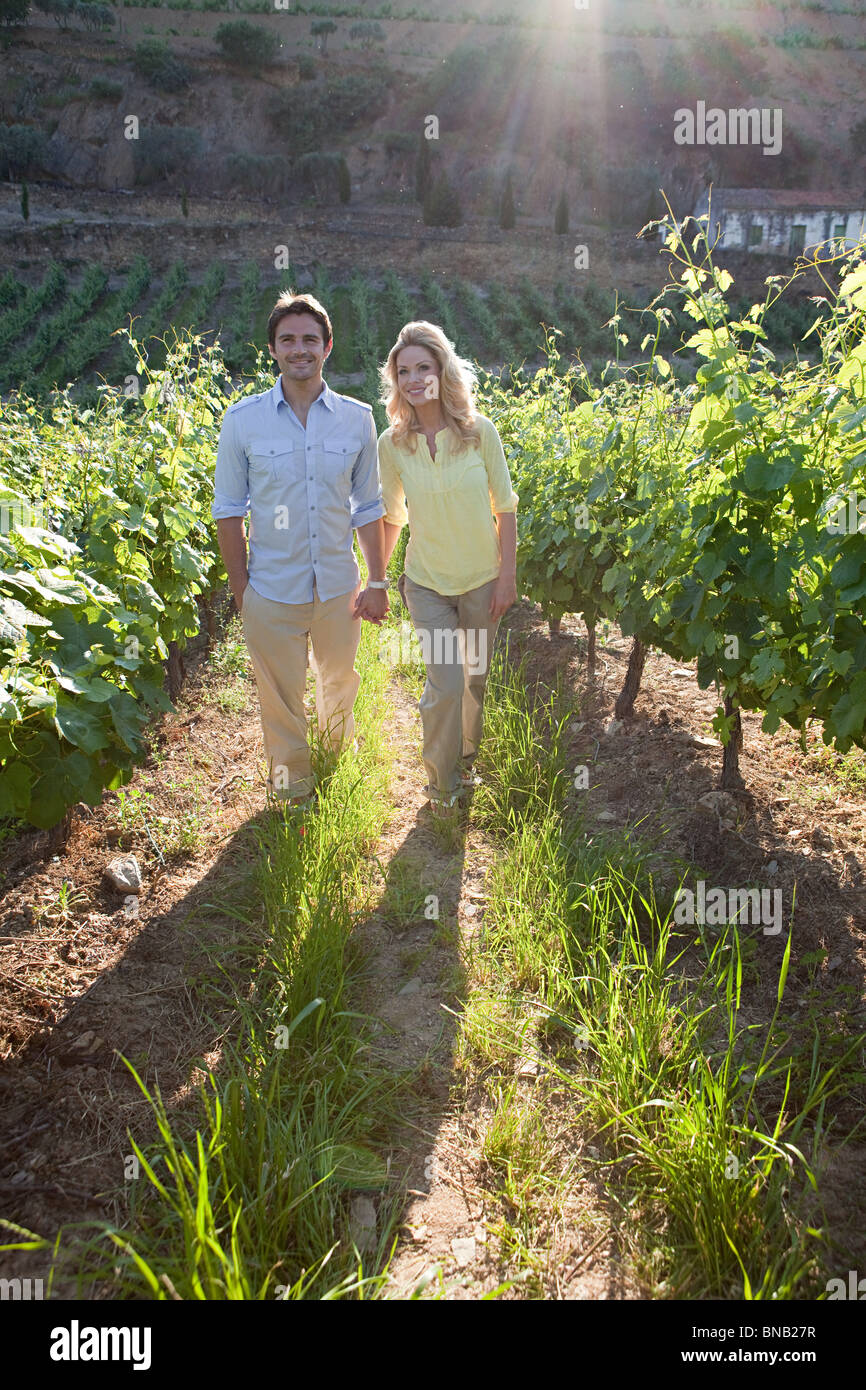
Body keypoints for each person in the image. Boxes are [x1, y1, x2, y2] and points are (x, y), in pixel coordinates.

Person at [212, 291, 389, 807]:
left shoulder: (356, 419)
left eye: (309, 338)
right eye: (288, 339)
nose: (299, 348)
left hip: (338, 586)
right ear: (273, 349)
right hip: (271, 588)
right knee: (281, 700)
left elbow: (369, 506)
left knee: (339, 682)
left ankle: (337, 772)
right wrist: (242, 590)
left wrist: (376, 581)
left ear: (327, 346)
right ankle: (294, 795)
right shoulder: (243, 421)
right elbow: (228, 510)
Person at [378, 321, 518, 816]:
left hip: (482, 581)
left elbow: (505, 505)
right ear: (396, 381)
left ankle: (465, 760)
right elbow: (393, 517)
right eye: (404, 371)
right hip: (427, 584)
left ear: (442, 371)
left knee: (474, 680)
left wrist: (507, 576)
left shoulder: (480, 433)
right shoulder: (392, 445)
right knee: (446, 684)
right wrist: (375, 578)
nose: (414, 379)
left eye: (423, 368)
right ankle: (441, 787)